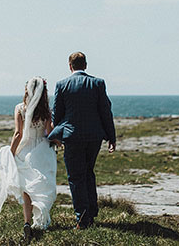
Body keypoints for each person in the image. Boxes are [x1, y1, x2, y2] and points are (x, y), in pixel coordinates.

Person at [0, 76, 58, 242]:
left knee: (26, 188)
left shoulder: (20, 108)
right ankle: (41, 218)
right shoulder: (47, 111)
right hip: (42, 151)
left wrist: (11, 153)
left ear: (26, 90)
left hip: (25, 150)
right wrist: (59, 141)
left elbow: (18, 134)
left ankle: (27, 222)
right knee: (44, 185)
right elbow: (50, 133)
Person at [48, 52, 116, 229]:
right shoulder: (98, 83)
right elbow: (105, 112)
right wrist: (111, 137)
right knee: (88, 173)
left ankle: (82, 219)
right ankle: (91, 214)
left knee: (76, 177)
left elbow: (57, 114)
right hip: (94, 137)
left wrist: (57, 133)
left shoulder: (62, 84)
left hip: (72, 137)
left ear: (70, 66)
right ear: (85, 65)